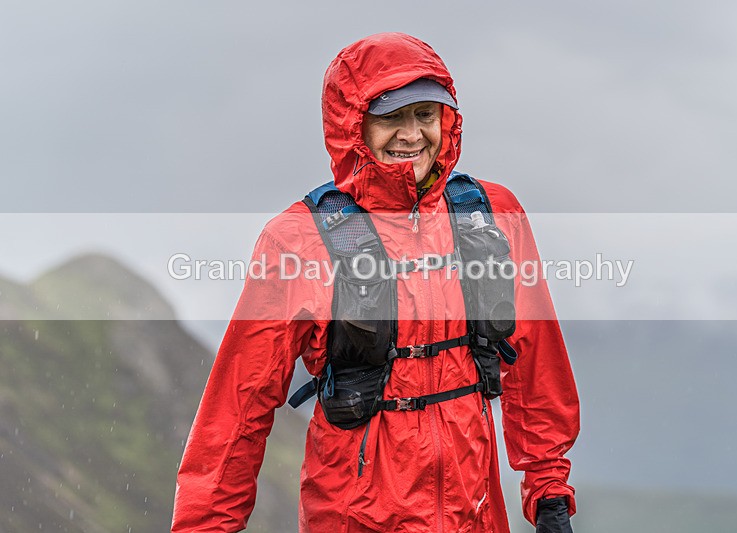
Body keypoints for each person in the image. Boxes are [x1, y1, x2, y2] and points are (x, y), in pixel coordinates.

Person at [172, 32, 579, 533]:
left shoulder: (491, 215)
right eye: (390, 117)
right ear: (352, 125)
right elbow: (237, 410)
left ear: (447, 121)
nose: (412, 135)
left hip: (474, 514)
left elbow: (538, 366)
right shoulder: (299, 241)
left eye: (426, 115)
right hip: (356, 518)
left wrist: (549, 490)